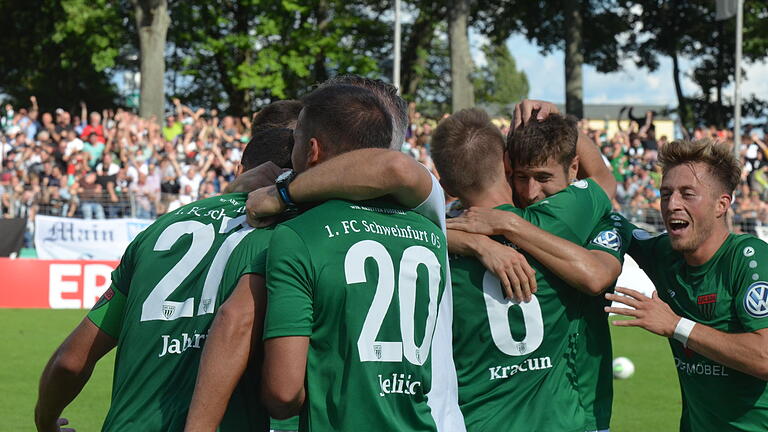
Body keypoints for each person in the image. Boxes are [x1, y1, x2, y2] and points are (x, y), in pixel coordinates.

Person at [188, 82, 455, 432]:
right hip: (430, 420)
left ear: (311, 149)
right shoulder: (428, 227)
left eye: (296, 138)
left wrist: (280, 192)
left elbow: (280, 390)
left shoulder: (299, 233)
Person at [34, 132, 291, 432]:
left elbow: (70, 361)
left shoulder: (159, 229)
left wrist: (46, 420)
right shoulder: (292, 233)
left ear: (238, 170)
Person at [433, 108, 620, 431]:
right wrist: (559, 115)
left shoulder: (431, 243)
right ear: (507, 163)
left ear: (446, 182)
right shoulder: (561, 218)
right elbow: (603, 181)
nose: (532, 190)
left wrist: (469, 241)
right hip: (559, 419)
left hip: (476, 420)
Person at [607, 139, 768, 431]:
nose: (672, 204)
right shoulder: (664, 254)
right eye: (665, 193)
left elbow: (765, 357)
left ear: (722, 204)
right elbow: (607, 216)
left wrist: (675, 325)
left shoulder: (748, 258)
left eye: (687, 194)